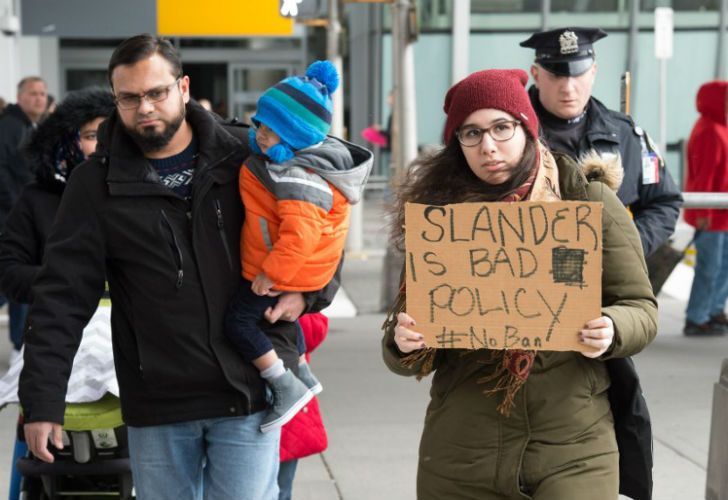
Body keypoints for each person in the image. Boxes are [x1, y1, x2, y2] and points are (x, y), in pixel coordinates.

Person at [18, 34, 338, 500]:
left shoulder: (247, 154)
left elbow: (324, 232)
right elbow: (62, 296)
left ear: (183, 88)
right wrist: (43, 401)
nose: (145, 107)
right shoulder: (95, 183)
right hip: (159, 400)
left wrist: (308, 294)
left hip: (249, 387)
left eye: (157, 92)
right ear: (116, 99)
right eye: (130, 97)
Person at [382, 69, 657, 499]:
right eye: (470, 133)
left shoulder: (585, 201)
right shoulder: (441, 220)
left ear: (527, 128)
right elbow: (406, 351)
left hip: (573, 445)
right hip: (462, 453)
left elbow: (640, 307)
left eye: (501, 128)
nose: (488, 146)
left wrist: (613, 327)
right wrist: (404, 341)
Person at [225, 60, 371, 433]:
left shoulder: (299, 177)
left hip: (281, 270)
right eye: (259, 125)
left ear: (293, 135)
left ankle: (284, 384)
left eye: (270, 131)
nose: (259, 134)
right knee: (271, 325)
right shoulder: (295, 166)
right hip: (294, 271)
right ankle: (302, 374)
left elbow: (300, 237)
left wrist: (269, 276)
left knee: (239, 323)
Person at [0, 86, 116, 500]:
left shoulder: (139, 192)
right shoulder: (36, 200)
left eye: (108, 132)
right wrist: (65, 283)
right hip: (57, 331)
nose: (99, 143)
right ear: (67, 138)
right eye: (89, 134)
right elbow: (9, 271)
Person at [520, 27, 682, 258]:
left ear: (593, 71)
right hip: (530, 275)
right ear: (535, 74)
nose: (568, 87)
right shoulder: (509, 134)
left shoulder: (625, 135)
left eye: (578, 74)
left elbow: (664, 201)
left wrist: (627, 249)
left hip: (604, 283)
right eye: (555, 75)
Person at [0, 76, 48, 360]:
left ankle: (21, 343)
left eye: (43, 93)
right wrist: (16, 205)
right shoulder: (11, 126)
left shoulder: (30, 126)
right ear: (20, 97)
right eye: (33, 93)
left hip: (20, 219)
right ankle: (20, 342)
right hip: (9, 219)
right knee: (10, 280)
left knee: (21, 279)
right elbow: (2, 168)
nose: (40, 98)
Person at [683, 80, 728, 337]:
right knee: (709, 268)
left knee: (721, 267)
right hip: (711, 214)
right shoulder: (710, 129)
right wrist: (703, 213)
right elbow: (705, 175)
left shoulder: (720, 127)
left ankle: (713, 310)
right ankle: (697, 316)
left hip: (721, 214)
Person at [277, 312, 330, 500]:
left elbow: (315, 330)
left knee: (280, 488)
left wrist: (297, 306)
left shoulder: (297, 294)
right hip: (253, 405)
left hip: (288, 408)